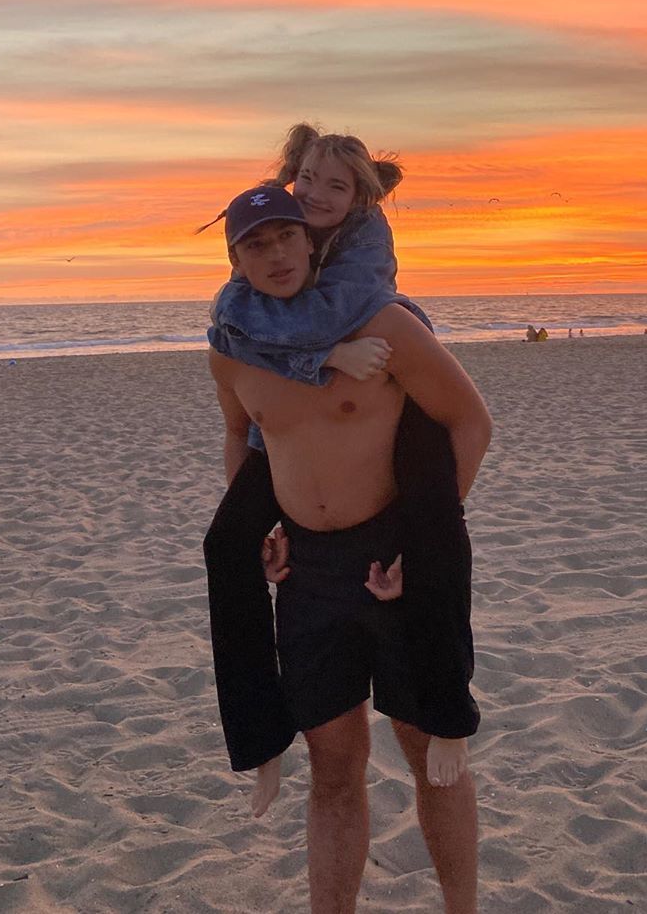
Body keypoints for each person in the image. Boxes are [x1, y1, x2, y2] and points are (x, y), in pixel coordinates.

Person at [209, 185, 491, 914]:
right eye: (255, 245)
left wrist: (428, 545)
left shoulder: (384, 324)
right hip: (307, 572)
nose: (275, 255)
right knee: (332, 769)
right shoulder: (233, 351)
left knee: (432, 757)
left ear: (311, 242)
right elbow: (241, 436)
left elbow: (470, 422)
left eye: (286, 237)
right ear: (235, 261)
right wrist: (258, 529)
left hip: (388, 561)